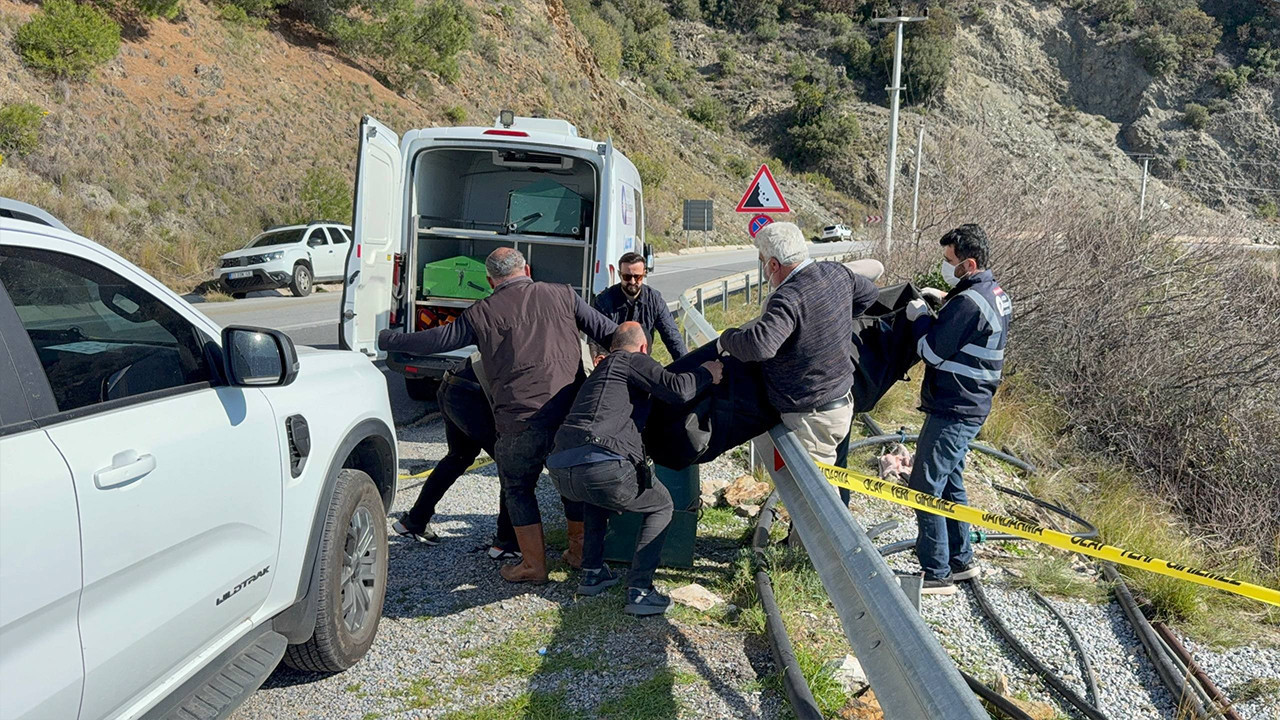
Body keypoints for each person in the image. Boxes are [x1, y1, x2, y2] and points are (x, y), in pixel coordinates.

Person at [379, 248, 617, 584]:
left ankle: (533, 566)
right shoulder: (563, 294)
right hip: (569, 415)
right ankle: (578, 553)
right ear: (527, 269)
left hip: (519, 418)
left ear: (490, 281)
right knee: (571, 484)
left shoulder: (482, 312)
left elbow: (436, 340)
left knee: (518, 487)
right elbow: (611, 333)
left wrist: (391, 339)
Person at [546, 322, 723, 616]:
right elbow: (677, 390)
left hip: (561, 469)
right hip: (603, 464)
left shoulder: (599, 372)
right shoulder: (632, 360)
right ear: (644, 348)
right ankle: (640, 591)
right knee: (661, 504)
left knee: (595, 495)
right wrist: (708, 373)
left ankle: (591, 573)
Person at [903, 224, 1012, 595]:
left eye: (950, 261)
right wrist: (944, 299)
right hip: (971, 402)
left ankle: (936, 572)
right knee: (950, 481)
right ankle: (960, 560)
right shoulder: (991, 293)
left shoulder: (969, 303)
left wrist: (919, 318)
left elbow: (932, 351)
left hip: (955, 406)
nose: (946, 266)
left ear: (969, 262)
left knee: (925, 483)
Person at [716, 222, 880, 465]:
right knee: (828, 480)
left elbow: (760, 345)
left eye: (763, 261)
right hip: (840, 400)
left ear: (773, 265)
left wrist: (727, 338)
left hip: (812, 418)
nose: (763, 268)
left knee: (815, 498)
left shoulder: (787, 298)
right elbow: (870, 294)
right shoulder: (836, 273)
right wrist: (838, 320)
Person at [391, 354, 520, 561]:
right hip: (474, 392)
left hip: (453, 382)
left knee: (459, 456)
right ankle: (507, 542)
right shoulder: (573, 353)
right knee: (512, 467)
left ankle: (415, 520)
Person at [592, 251, 687, 360]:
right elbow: (596, 339)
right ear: (619, 275)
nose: (632, 281)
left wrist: (686, 368)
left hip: (642, 362)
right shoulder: (604, 301)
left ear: (644, 273)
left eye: (637, 277)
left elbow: (672, 338)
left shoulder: (654, 300)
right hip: (612, 361)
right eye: (627, 277)